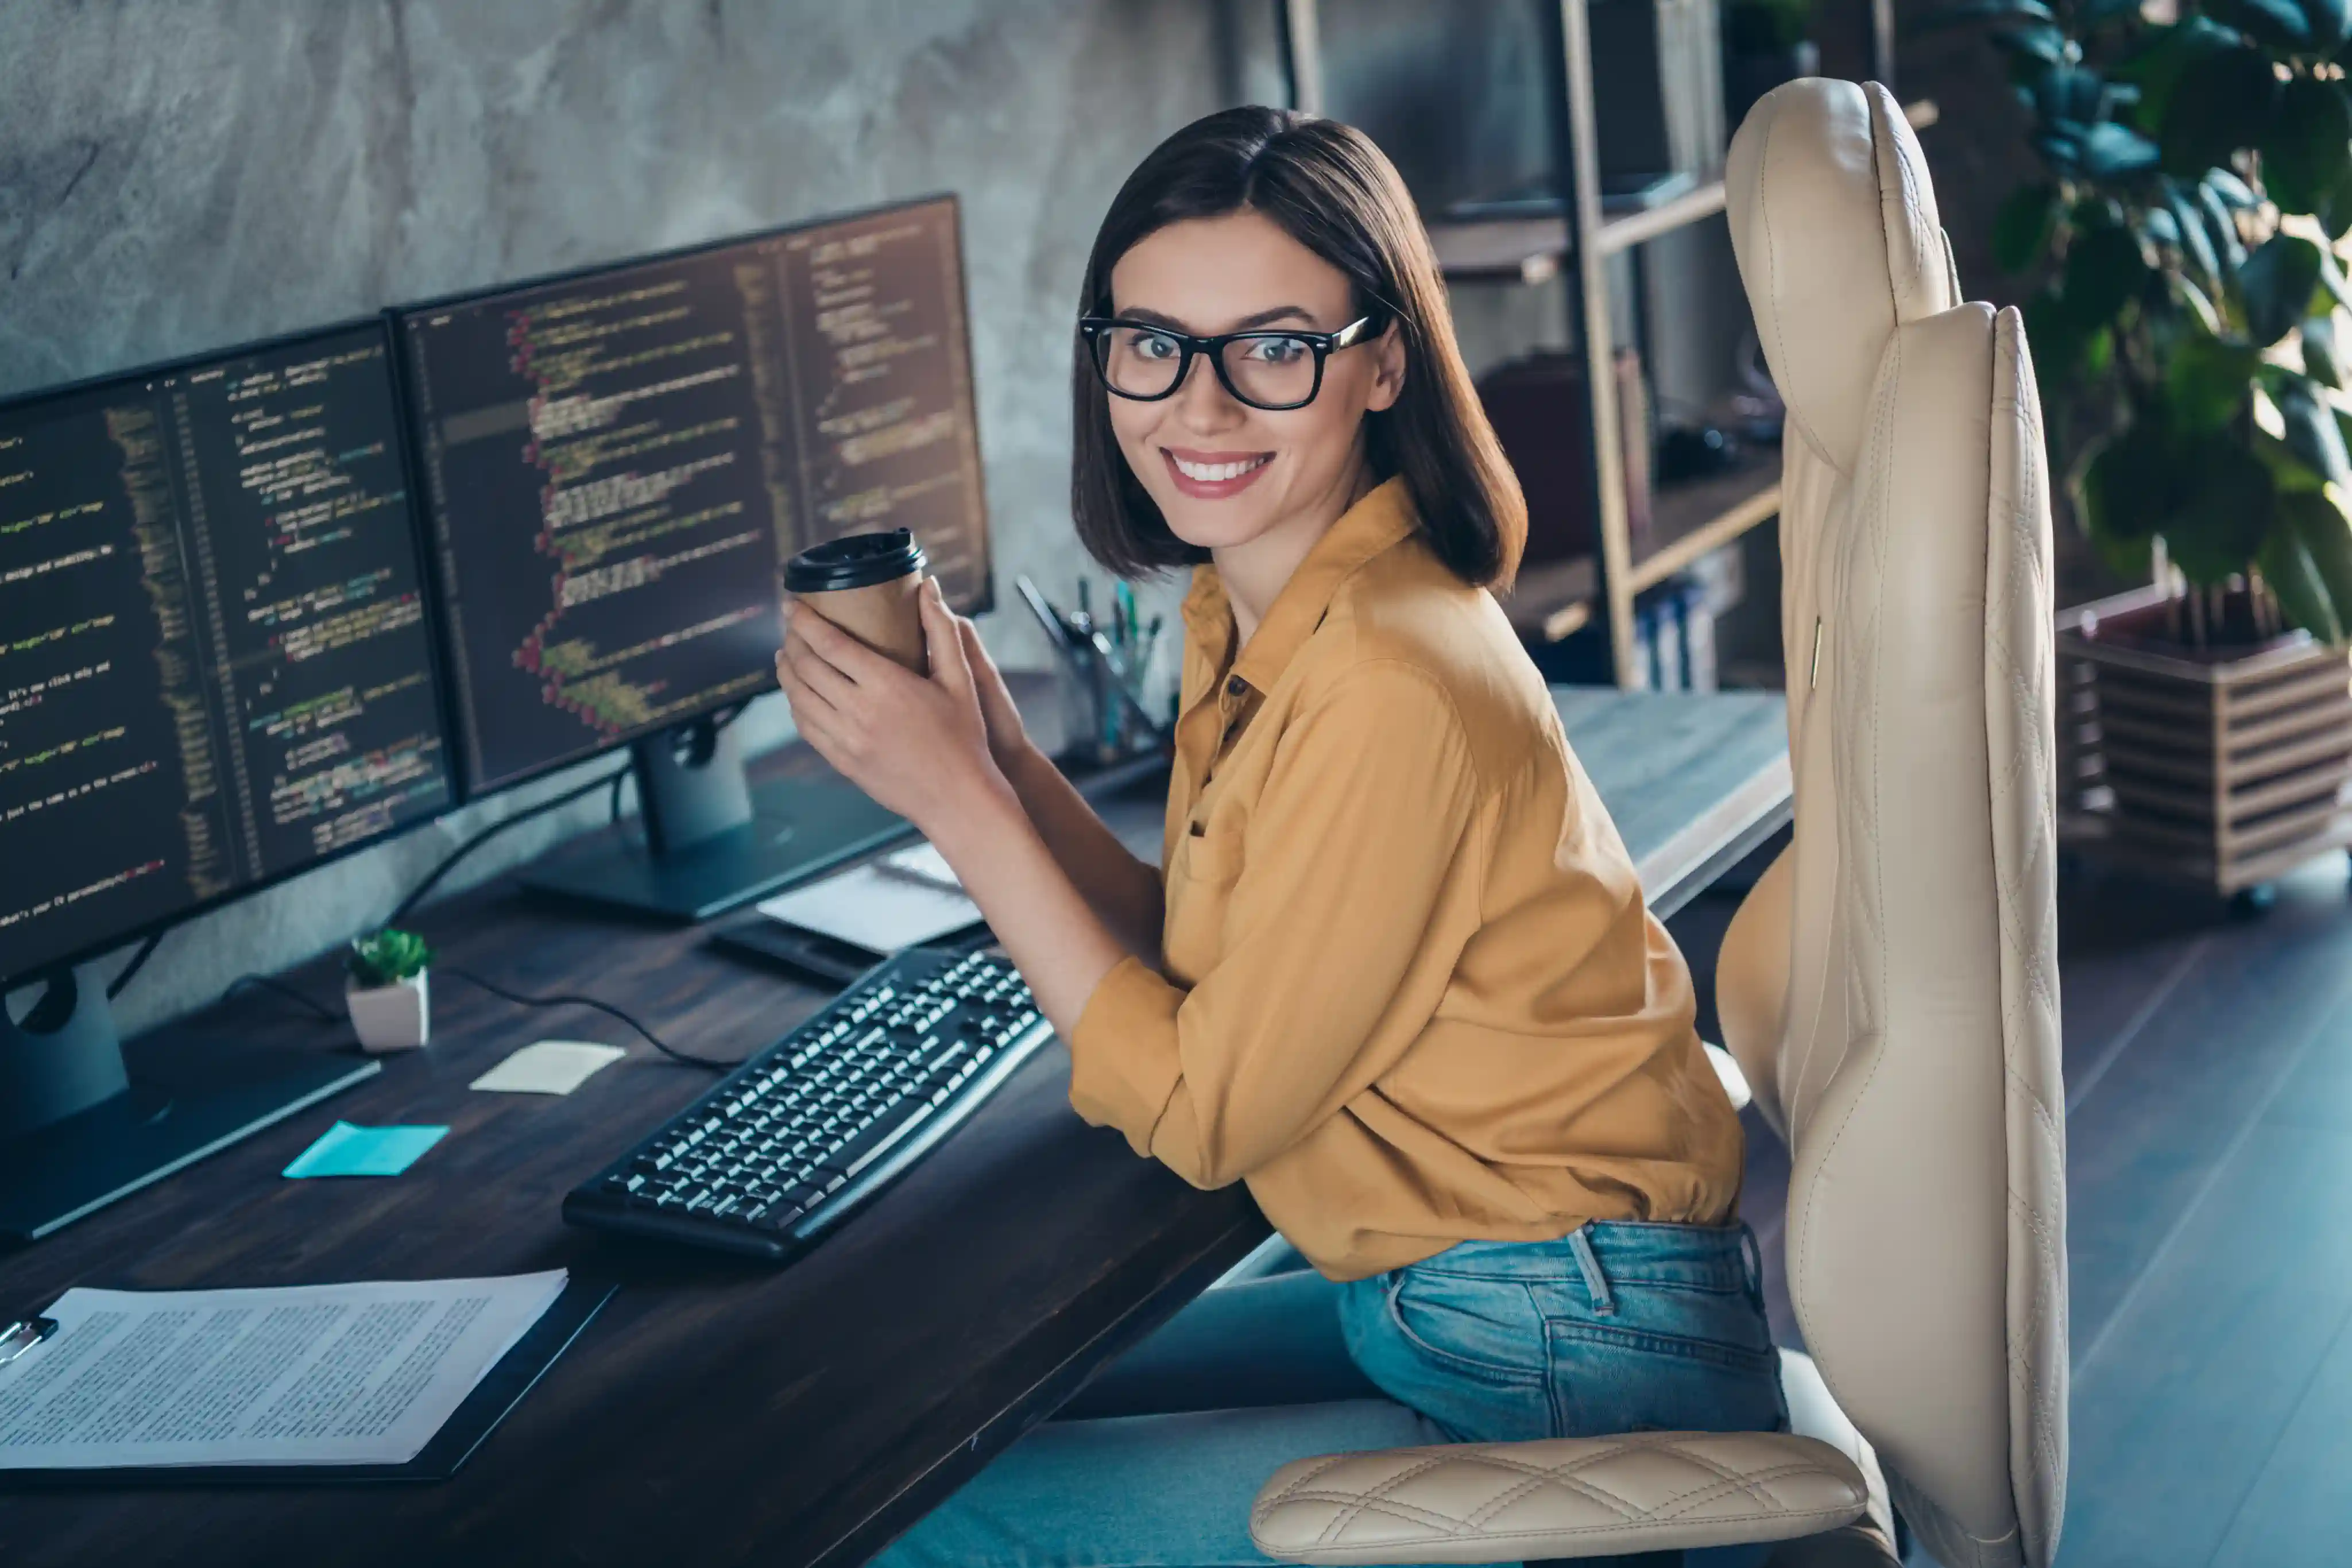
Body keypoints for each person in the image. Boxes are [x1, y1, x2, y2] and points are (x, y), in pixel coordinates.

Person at [773, 105, 1778, 1567]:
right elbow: (1200, 957)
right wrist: (994, 747)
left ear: (1381, 361)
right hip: (1486, 1297)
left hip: (1564, 1359)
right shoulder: (1273, 610)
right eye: (1153, 343)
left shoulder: (1386, 678)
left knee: (903, 1520)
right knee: (903, 1423)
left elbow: (1204, 1113)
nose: (1198, 405)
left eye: (1271, 347)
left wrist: (955, 805)